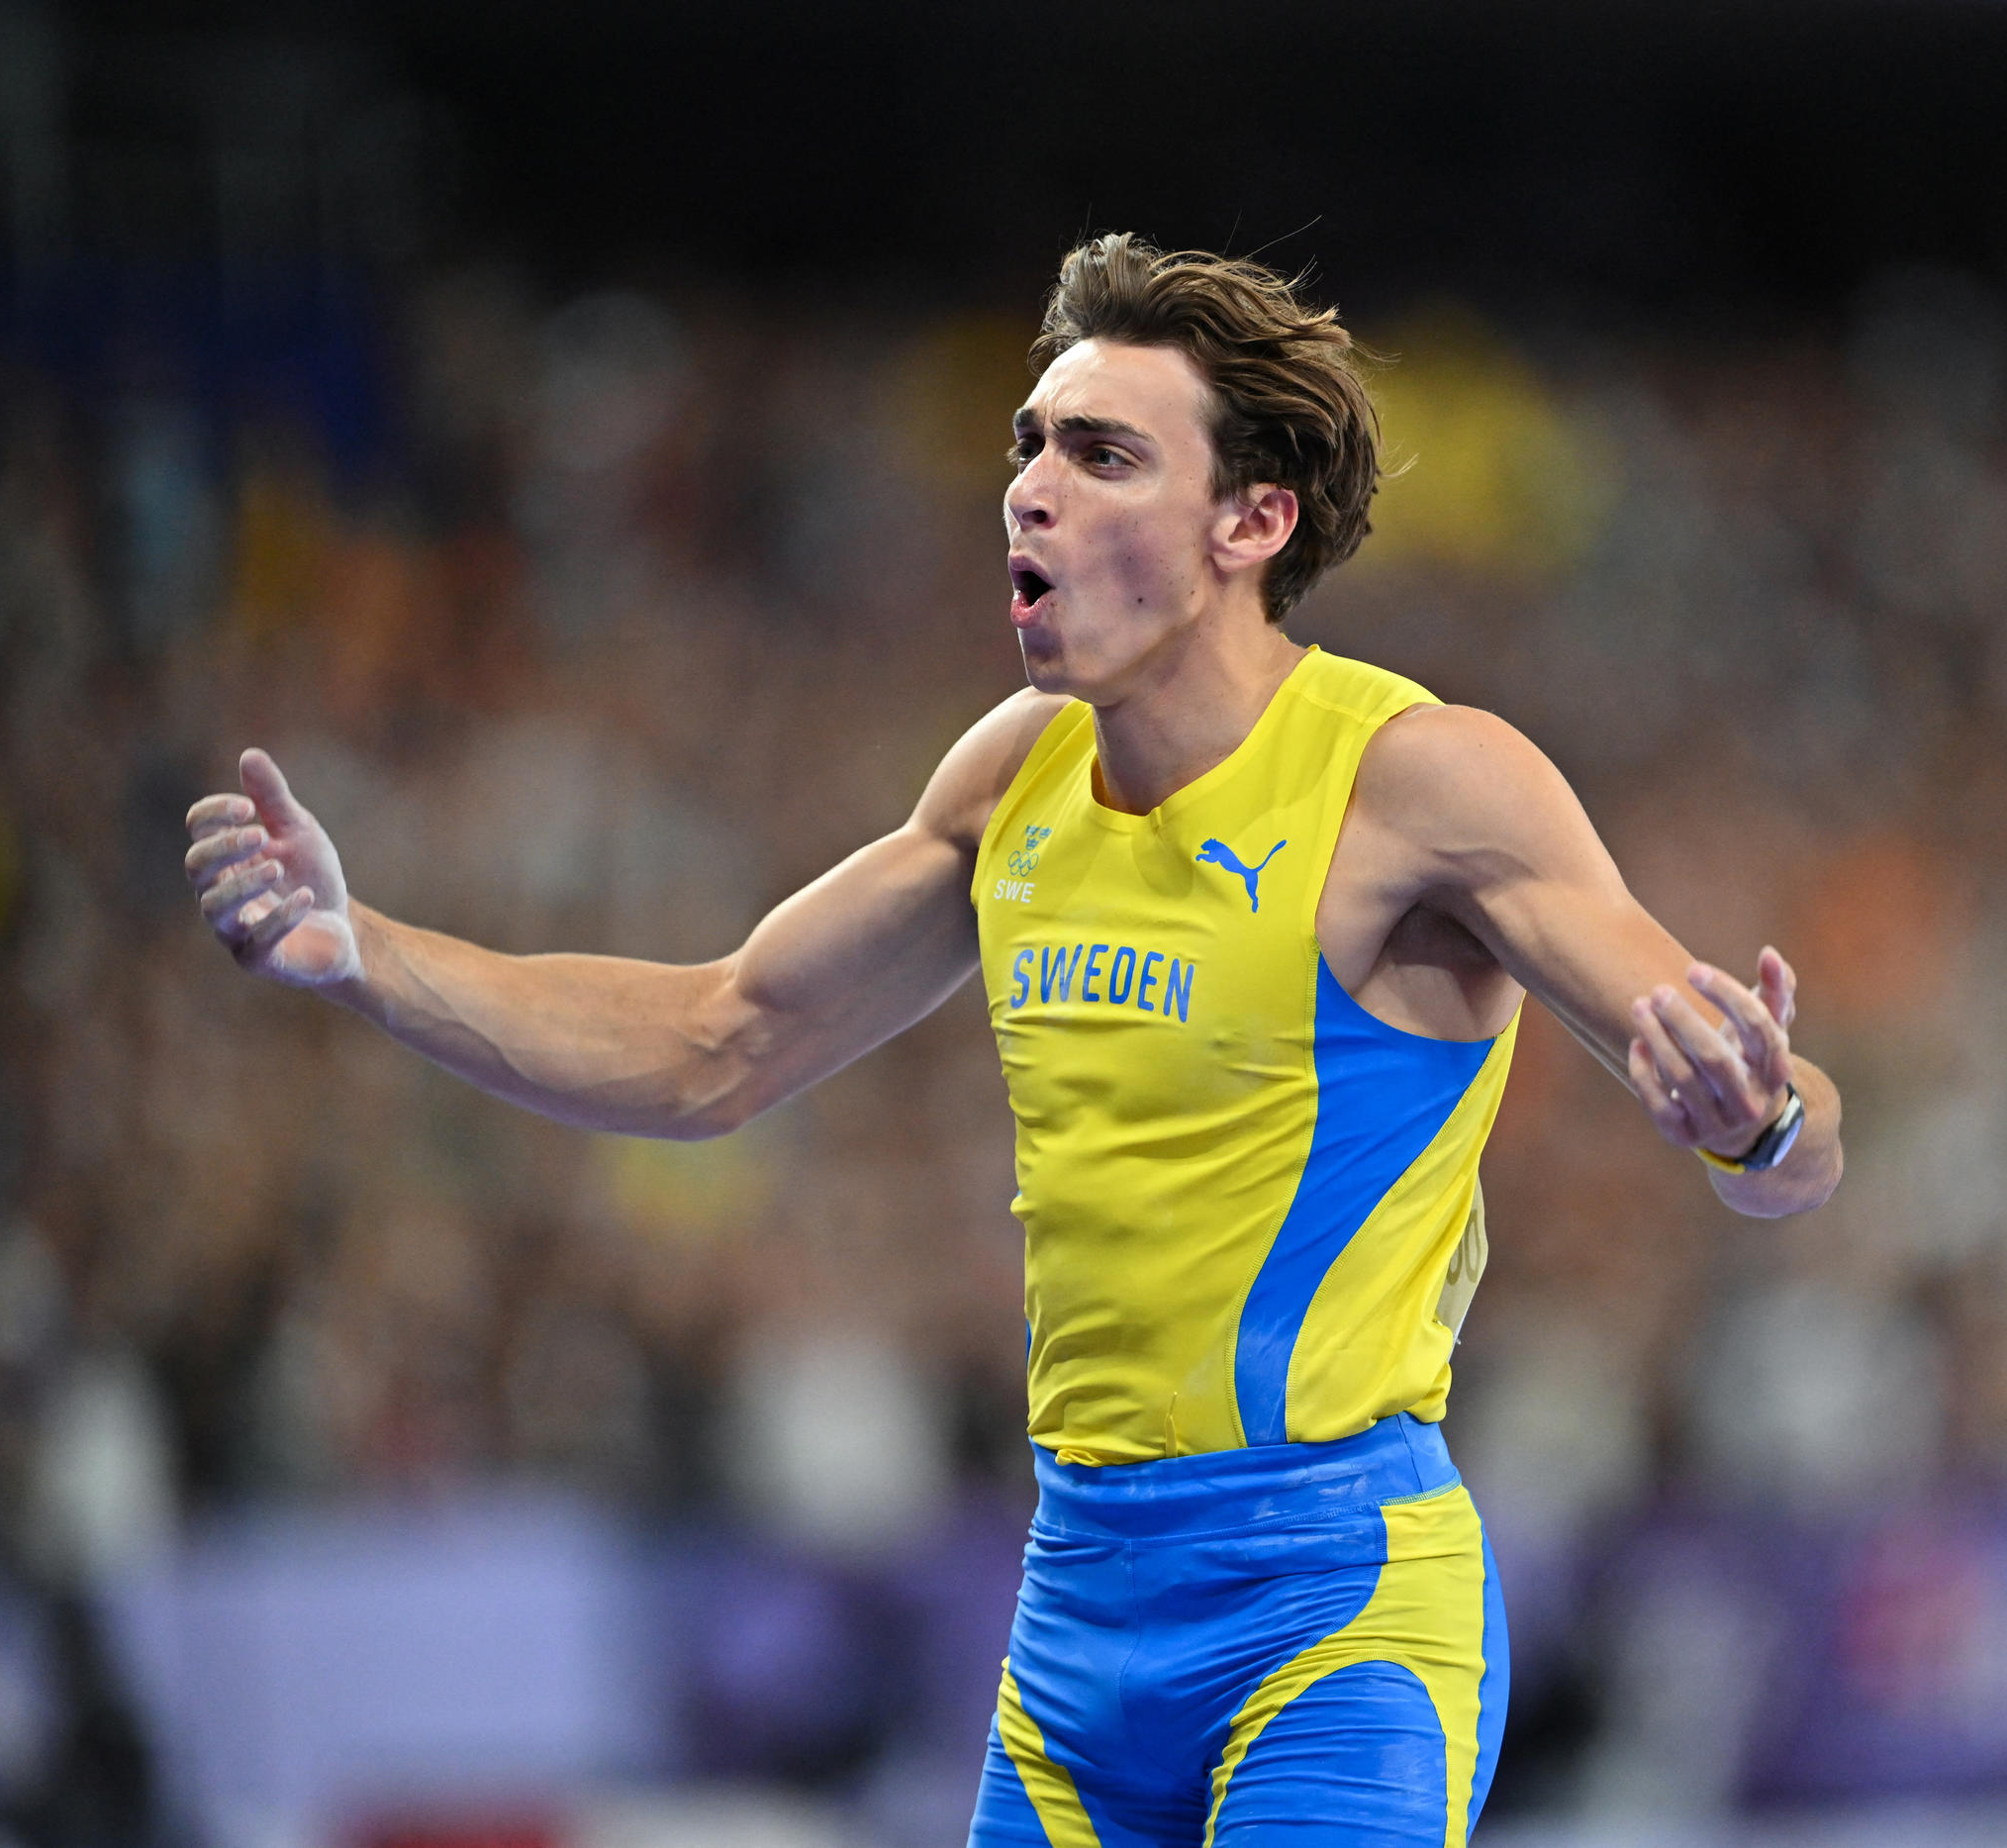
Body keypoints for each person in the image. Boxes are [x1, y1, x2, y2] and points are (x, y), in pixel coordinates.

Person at [183, 235, 1843, 1847]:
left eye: (1103, 453)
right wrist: (368, 957)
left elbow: (1792, 1150)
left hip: (1336, 1615)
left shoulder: (1418, 786)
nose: (1029, 488)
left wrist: (1757, 1123)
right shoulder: (1012, 777)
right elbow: (717, 1041)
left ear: (1247, 522)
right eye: (1030, 444)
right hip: (1079, 1634)